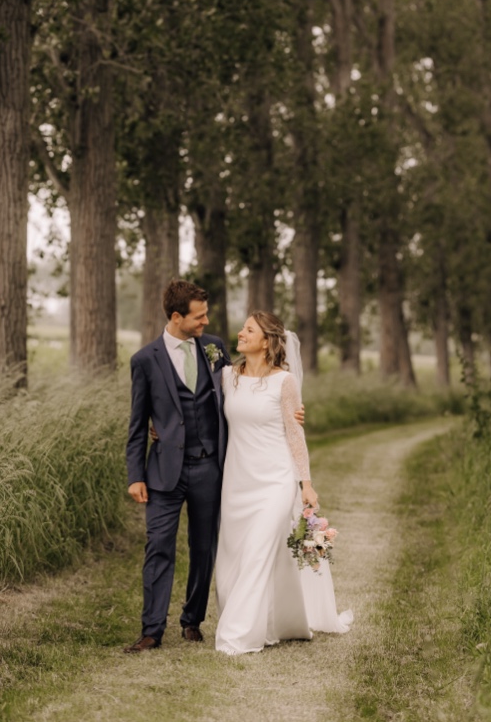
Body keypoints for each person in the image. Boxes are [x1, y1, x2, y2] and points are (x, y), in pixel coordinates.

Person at [212, 310, 351, 655]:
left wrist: (306, 483)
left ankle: (238, 634)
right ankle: (280, 620)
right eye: (242, 328)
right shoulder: (227, 376)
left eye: (249, 330)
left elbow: (294, 434)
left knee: (259, 550)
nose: (240, 334)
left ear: (266, 341)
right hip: (237, 480)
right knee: (236, 554)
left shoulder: (284, 382)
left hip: (275, 479)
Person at [123, 280, 230, 651]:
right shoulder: (145, 361)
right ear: (176, 317)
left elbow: (241, 391)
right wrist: (135, 475)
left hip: (208, 468)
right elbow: (138, 424)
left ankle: (192, 619)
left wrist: (284, 403)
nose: (206, 321)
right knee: (159, 547)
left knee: (204, 547)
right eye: (199, 316)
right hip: (164, 472)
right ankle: (152, 629)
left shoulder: (215, 348)